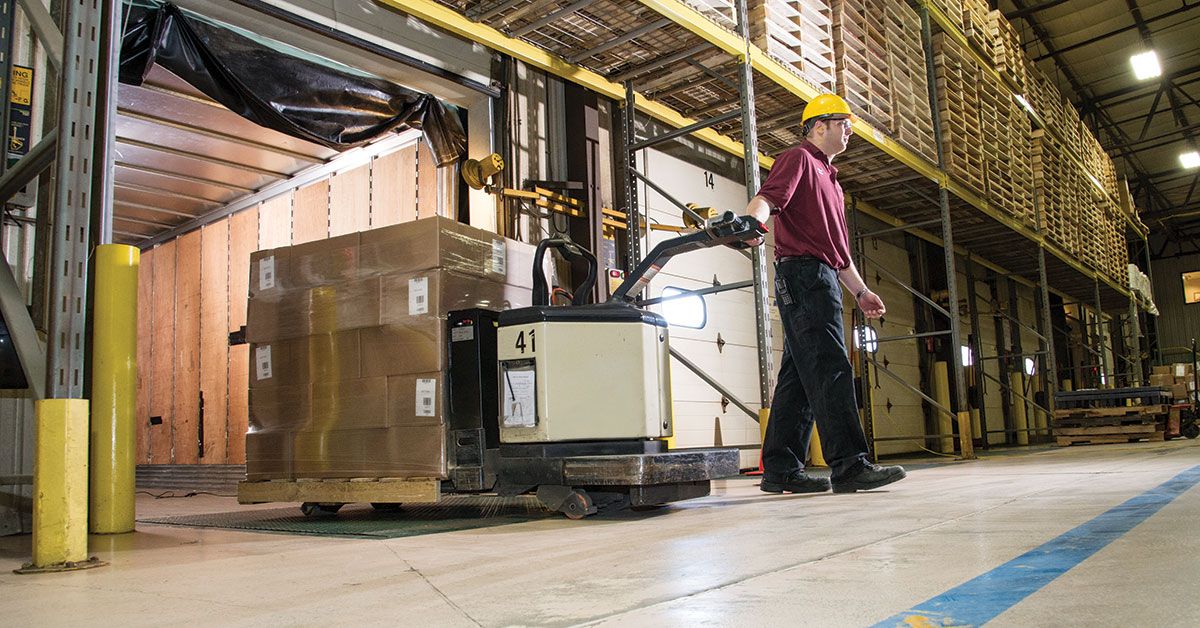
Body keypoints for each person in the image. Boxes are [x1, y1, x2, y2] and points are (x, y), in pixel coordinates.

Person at [745, 93, 907, 494]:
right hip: (803, 276)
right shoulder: (799, 158)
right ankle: (850, 465)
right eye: (843, 123)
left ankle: (781, 469)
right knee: (831, 364)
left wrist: (862, 291)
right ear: (819, 126)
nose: (849, 130)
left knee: (800, 375)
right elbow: (769, 198)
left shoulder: (831, 181)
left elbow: (836, 250)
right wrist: (750, 223)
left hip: (821, 277)